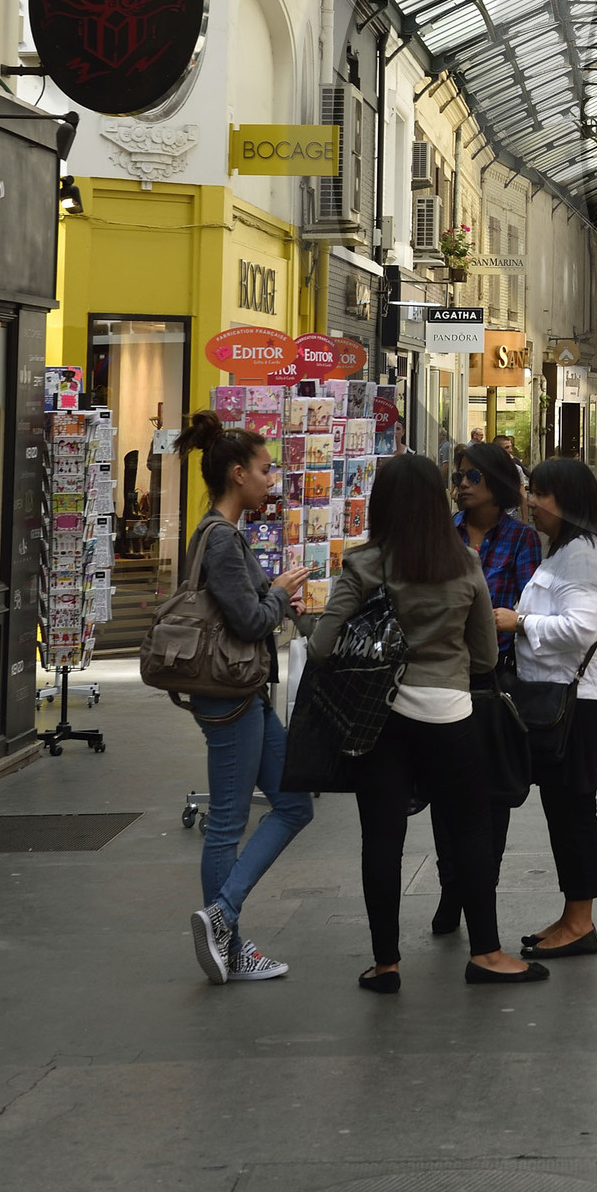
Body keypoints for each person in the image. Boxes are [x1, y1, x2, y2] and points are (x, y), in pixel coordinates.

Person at [309, 453, 546, 993]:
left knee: (382, 838)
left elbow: (322, 647)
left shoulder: (364, 564)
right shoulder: (464, 563)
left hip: (378, 720)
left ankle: (386, 965)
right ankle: (486, 952)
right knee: (470, 830)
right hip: (449, 714)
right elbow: (485, 656)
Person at [178, 409, 313, 987]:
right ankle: (226, 932)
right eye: (264, 469)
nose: (270, 479)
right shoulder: (222, 539)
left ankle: (224, 927)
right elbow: (252, 620)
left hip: (243, 693)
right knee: (229, 821)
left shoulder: (217, 533)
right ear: (238, 474)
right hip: (230, 696)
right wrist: (279, 595)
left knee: (294, 803)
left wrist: (276, 597)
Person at [493, 458, 597, 957]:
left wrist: (519, 622)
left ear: (566, 501)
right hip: (568, 698)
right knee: (565, 810)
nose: (531, 503)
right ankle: (573, 917)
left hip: (581, 702)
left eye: (540, 494)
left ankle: (581, 923)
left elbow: (579, 629)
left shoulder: (582, 557)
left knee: (573, 811)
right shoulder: (567, 551)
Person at [428, 442, 543, 935]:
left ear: (498, 485)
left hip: (495, 678)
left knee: (491, 792)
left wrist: (497, 621)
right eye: (458, 476)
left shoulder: (521, 538)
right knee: (443, 790)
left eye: (472, 477)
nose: (461, 485)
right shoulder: (442, 534)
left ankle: (481, 888)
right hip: (442, 674)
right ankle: (450, 885)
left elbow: (522, 608)